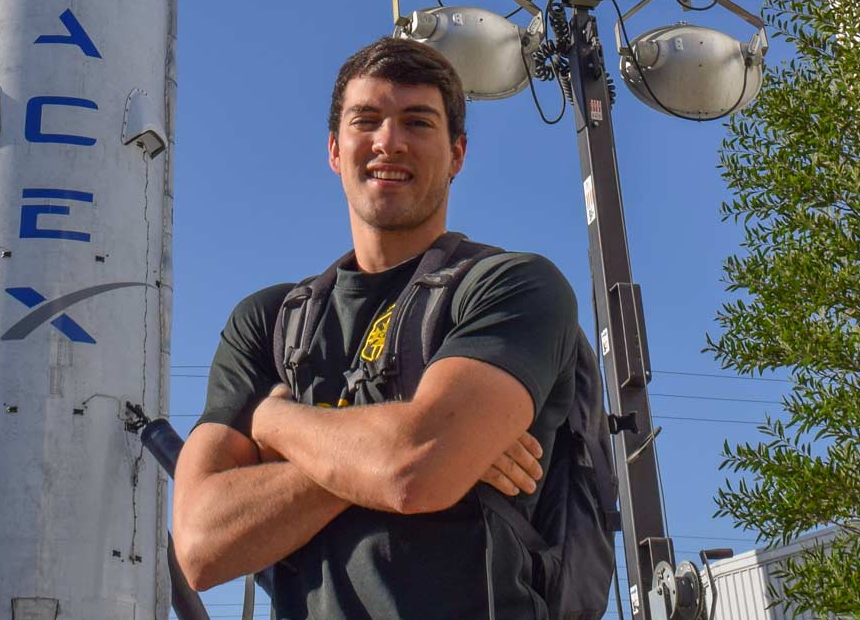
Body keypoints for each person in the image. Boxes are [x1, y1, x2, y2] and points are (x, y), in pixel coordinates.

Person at [173, 37, 580, 619]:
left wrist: (276, 422)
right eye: (367, 120)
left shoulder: (513, 286)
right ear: (336, 151)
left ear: (457, 153)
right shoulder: (268, 323)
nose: (389, 141)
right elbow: (200, 543)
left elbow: (414, 469)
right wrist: (404, 452)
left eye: (418, 122)